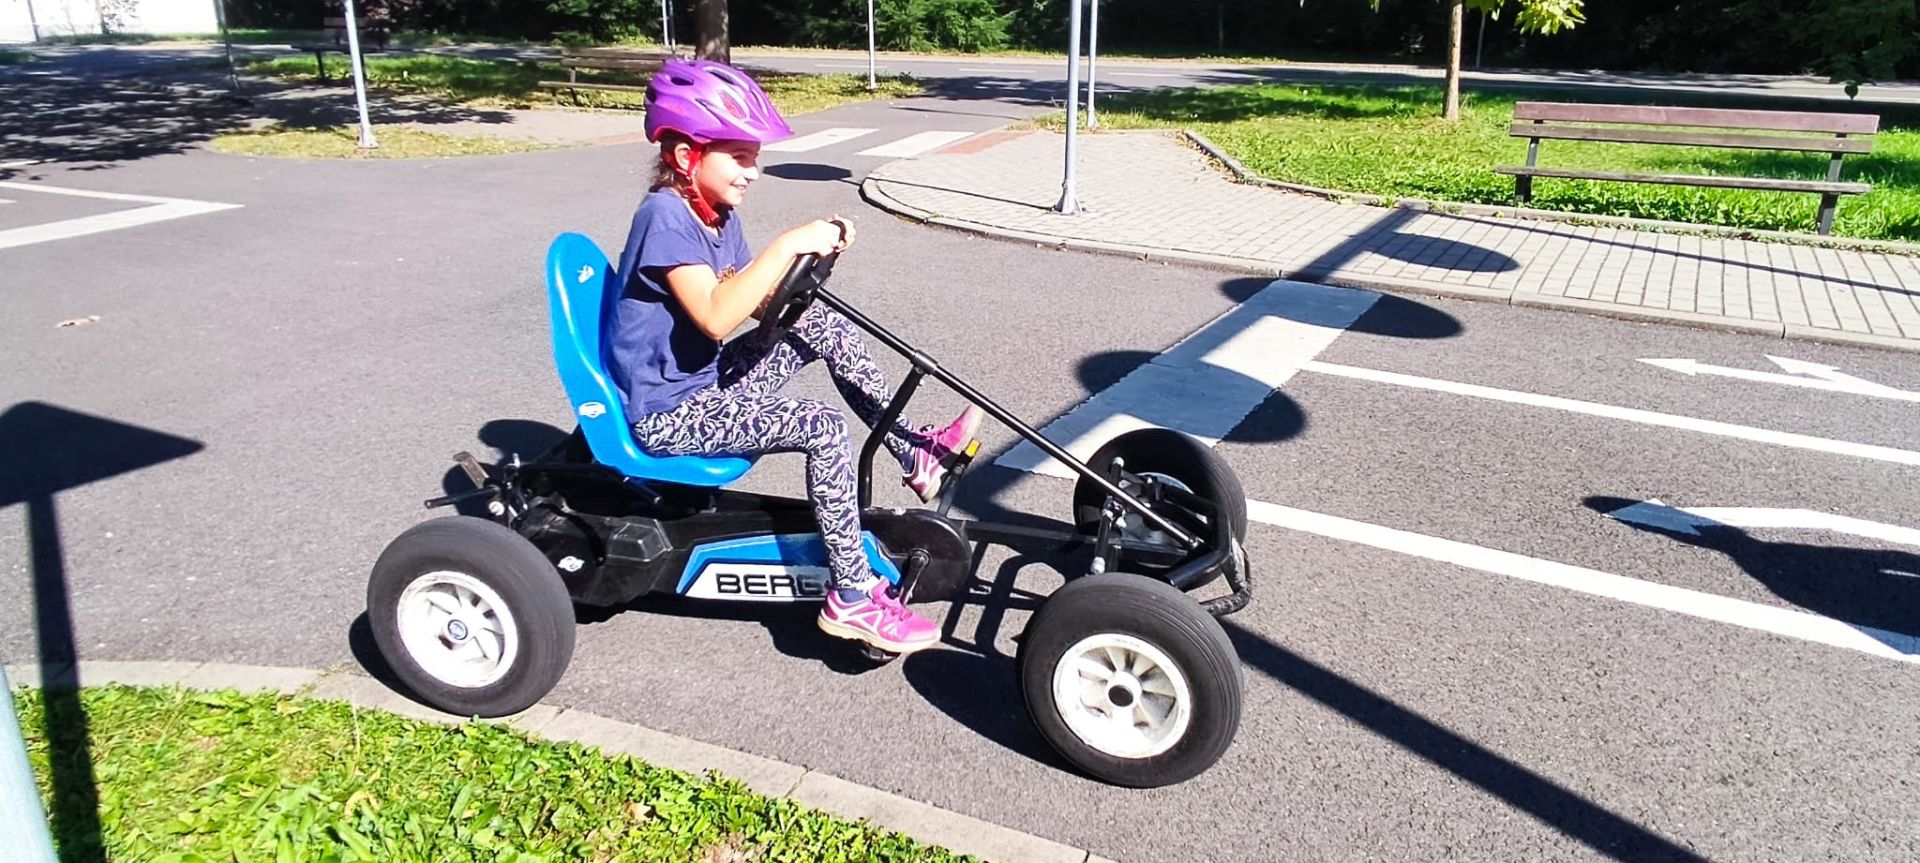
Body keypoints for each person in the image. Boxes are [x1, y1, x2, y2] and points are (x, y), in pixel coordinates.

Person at [607, 58, 980, 656]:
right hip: (668, 414)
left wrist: (808, 271)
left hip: (706, 385)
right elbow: (716, 316)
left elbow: (756, 303)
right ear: (685, 156)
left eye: (754, 157)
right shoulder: (666, 218)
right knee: (820, 425)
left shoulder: (715, 214)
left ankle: (912, 450)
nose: (752, 172)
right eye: (739, 157)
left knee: (821, 325)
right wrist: (786, 245)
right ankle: (851, 596)